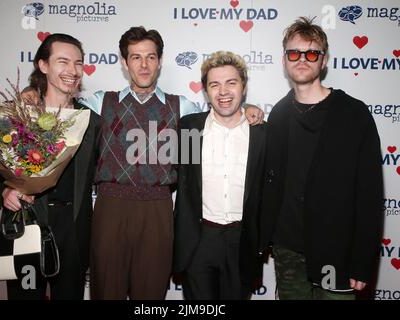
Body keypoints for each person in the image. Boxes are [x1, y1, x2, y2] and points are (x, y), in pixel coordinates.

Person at [83, 27, 264, 300]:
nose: (144, 65)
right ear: (123, 62)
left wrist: (249, 109)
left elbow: (220, 113)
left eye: (151, 57)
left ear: (160, 60)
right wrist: (32, 91)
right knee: (106, 291)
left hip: (159, 209)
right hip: (110, 208)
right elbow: (59, 107)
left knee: (151, 295)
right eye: (135, 57)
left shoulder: (184, 110)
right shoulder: (99, 103)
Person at [259, 17, 383, 300]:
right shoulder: (278, 114)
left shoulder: (354, 115)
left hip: (335, 252)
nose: (302, 59)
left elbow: (370, 195)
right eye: (294, 53)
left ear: (323, 61)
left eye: (311, 53)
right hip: (288, 250)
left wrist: (363, 263)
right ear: (284, 60)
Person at [0, 33, 102, 300]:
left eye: (78, 63)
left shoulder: (91, 122)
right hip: (25, 225)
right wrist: (5, 191)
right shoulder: (18, 115)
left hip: (74, 233)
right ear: (43, 65)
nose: (72, 71)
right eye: (63, 61)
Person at [173, 51, 265, 299]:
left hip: (242, 241)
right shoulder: (189, 128)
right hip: (199, 240)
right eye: (215, 84)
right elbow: (177, 175)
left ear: (243, 87)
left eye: (231, 83)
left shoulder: (262, 135)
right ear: (205, 91)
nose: (223, 91)